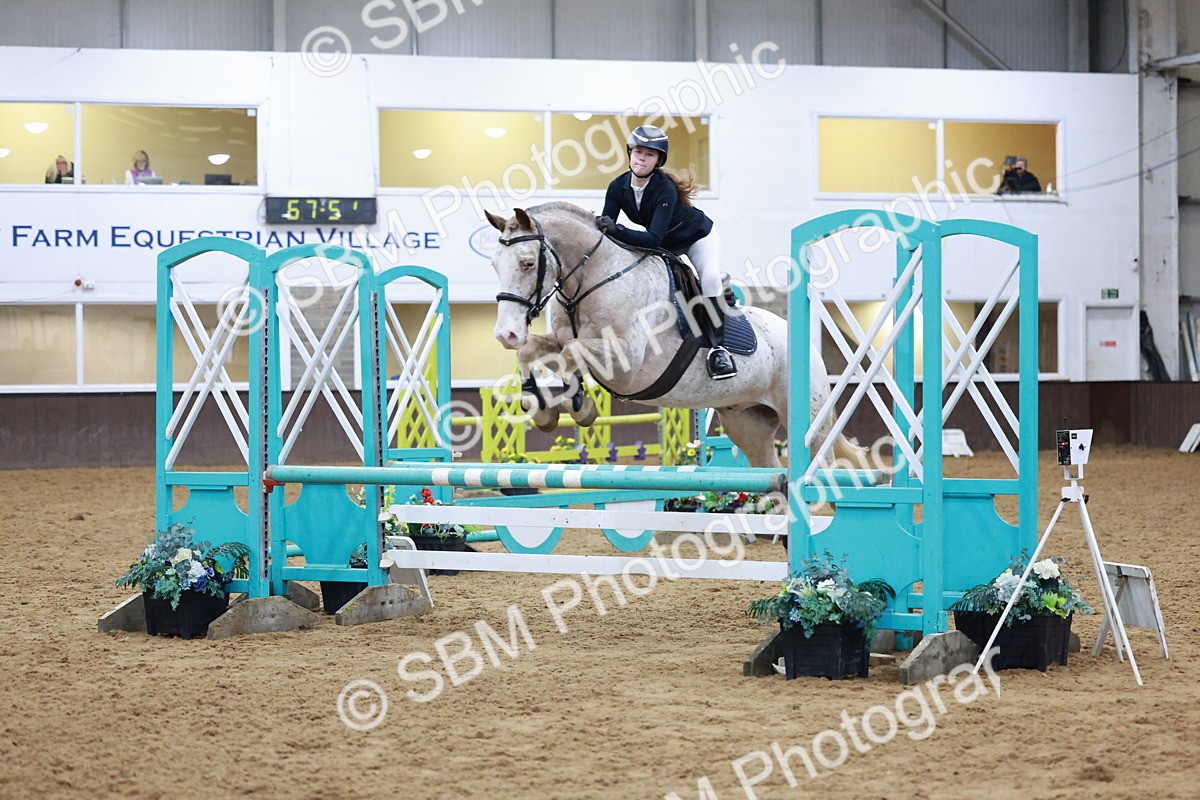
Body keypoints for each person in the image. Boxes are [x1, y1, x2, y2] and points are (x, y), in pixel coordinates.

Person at [597, 125, 736, 380]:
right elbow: (608, 234)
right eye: (638, 151)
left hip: (696, 238)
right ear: (629, 153)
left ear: (659, 160)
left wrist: (615, 228)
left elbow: (651, 238)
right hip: (664, 246)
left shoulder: (664, 188)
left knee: (710, 278)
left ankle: (719, 350)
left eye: (650, 154)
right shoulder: (617, 187)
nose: (642, 158)